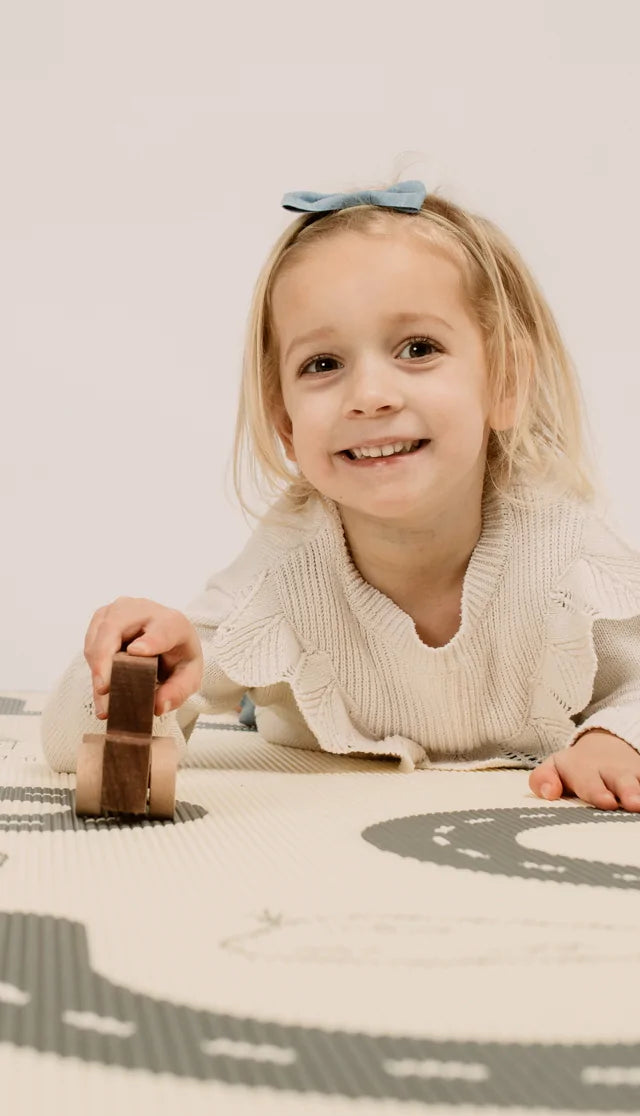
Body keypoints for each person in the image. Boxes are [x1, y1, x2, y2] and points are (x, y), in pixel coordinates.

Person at [42, 181, 640, 812]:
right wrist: (143, 667)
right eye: (323, 364)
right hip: (309, 717)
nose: (370, 395)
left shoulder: (561, 545)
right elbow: (65, 746)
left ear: (505, 382)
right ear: (287, 426)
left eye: (418, 349)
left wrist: (615, 736)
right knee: (251, 682)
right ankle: (261, 699)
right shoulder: (283, 571)